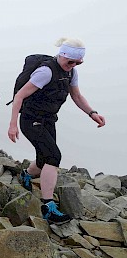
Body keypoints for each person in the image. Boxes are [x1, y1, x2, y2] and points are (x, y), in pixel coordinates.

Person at [7, 37, 106, 225]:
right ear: (62, 54)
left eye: (78, 62)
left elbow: (76, 95)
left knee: (45, 158)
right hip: (30, 119)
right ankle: (48, 207)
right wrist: (13, 124)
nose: (74, 65)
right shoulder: (45, 72)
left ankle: (26, 174)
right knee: (54, 156)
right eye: (71, 61)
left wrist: (92, 113)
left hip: (49, 120)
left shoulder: (71, 73)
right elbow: (20, 96)